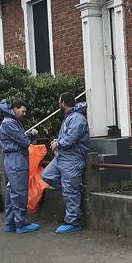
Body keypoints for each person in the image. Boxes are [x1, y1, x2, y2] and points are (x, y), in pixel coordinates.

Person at [41, 92, 89, 234]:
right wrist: (57, 142)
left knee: (70, 188)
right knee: (47, 175)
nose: (58, 104)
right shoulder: (70, 117)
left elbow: (71, 139)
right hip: (62, 157)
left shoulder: (77, 118)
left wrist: (58, 144)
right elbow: (66, 137)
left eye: (59, 102)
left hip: (72, 159)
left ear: (63, 103)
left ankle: (73, 221)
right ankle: (73, 193)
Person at [0, 99, 41, 234]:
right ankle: (21, 223)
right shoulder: (10, 123)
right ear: (15, 109)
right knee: (19, 191)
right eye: (22, 111)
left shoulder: (9, 121)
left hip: (13, 158)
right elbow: (23, 141)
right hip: (16, 158)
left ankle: (10, 223)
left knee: (12, 191)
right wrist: (31, 134)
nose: (24, 113)